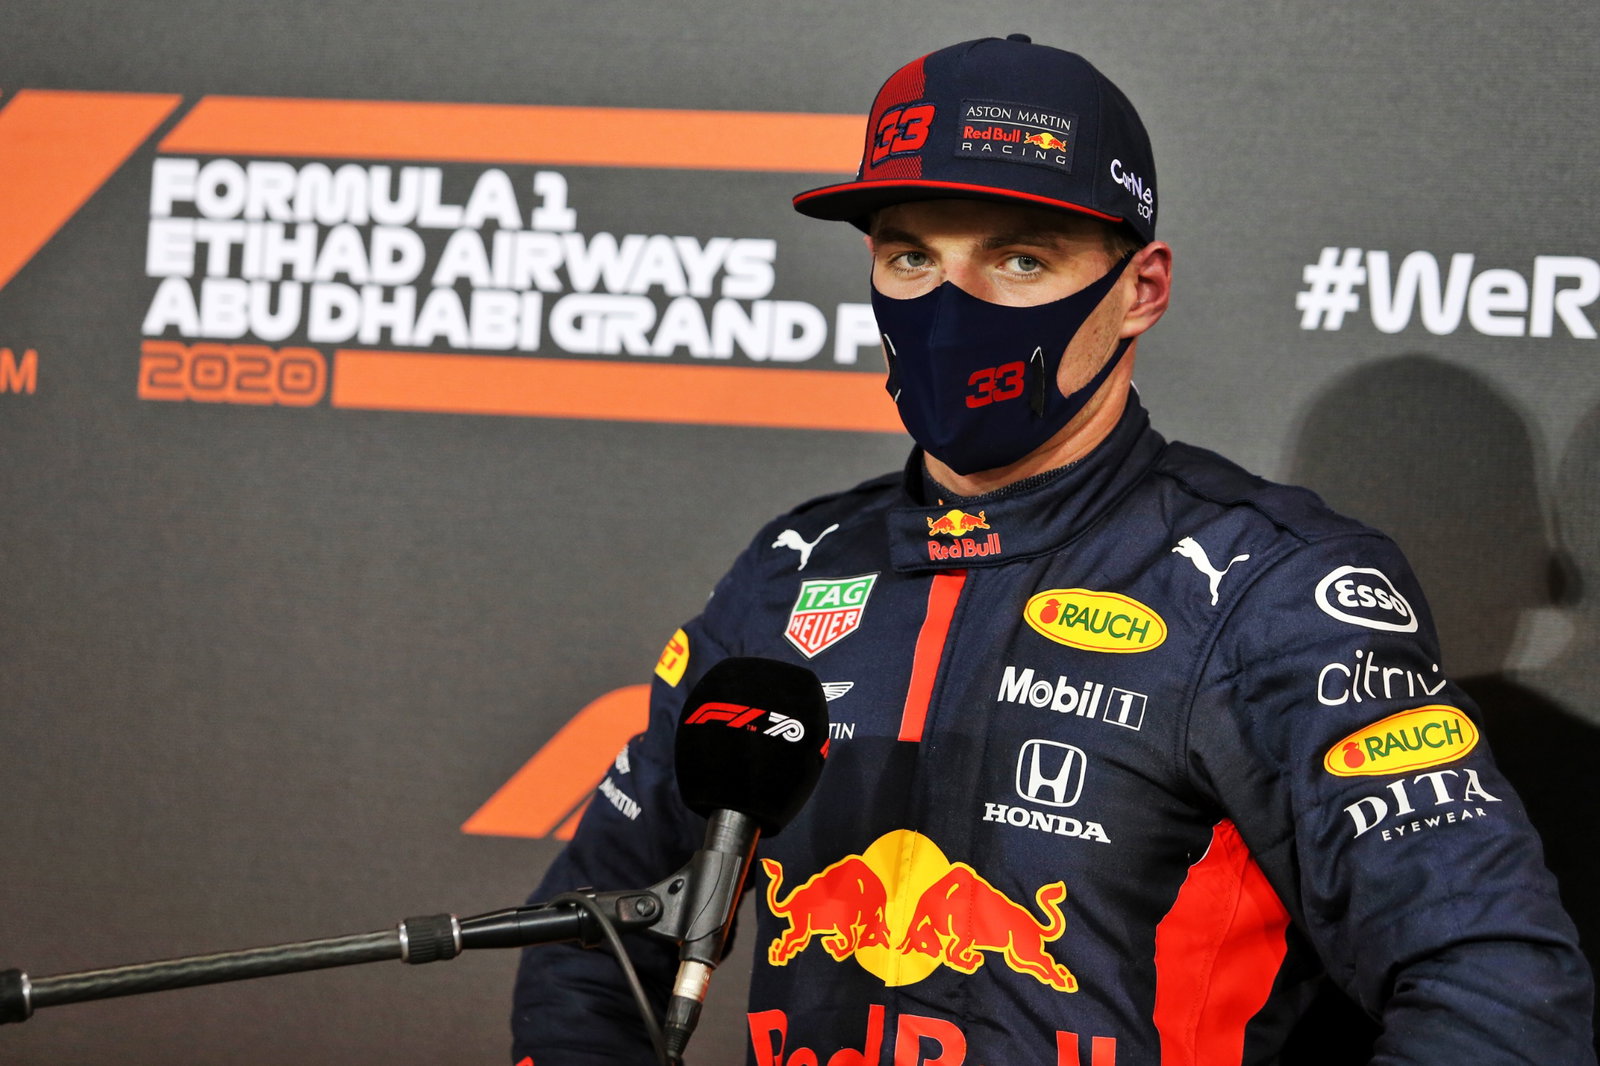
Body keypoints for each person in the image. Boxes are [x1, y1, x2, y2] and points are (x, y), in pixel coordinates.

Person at [511, 35, 1595, 1065]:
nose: (948, 304)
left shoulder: (1276, 585)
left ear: (1141, 289)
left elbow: (1496, 984)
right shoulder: (794, 566)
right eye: (909, 255)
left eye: (1019, 258)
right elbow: (590, 936)